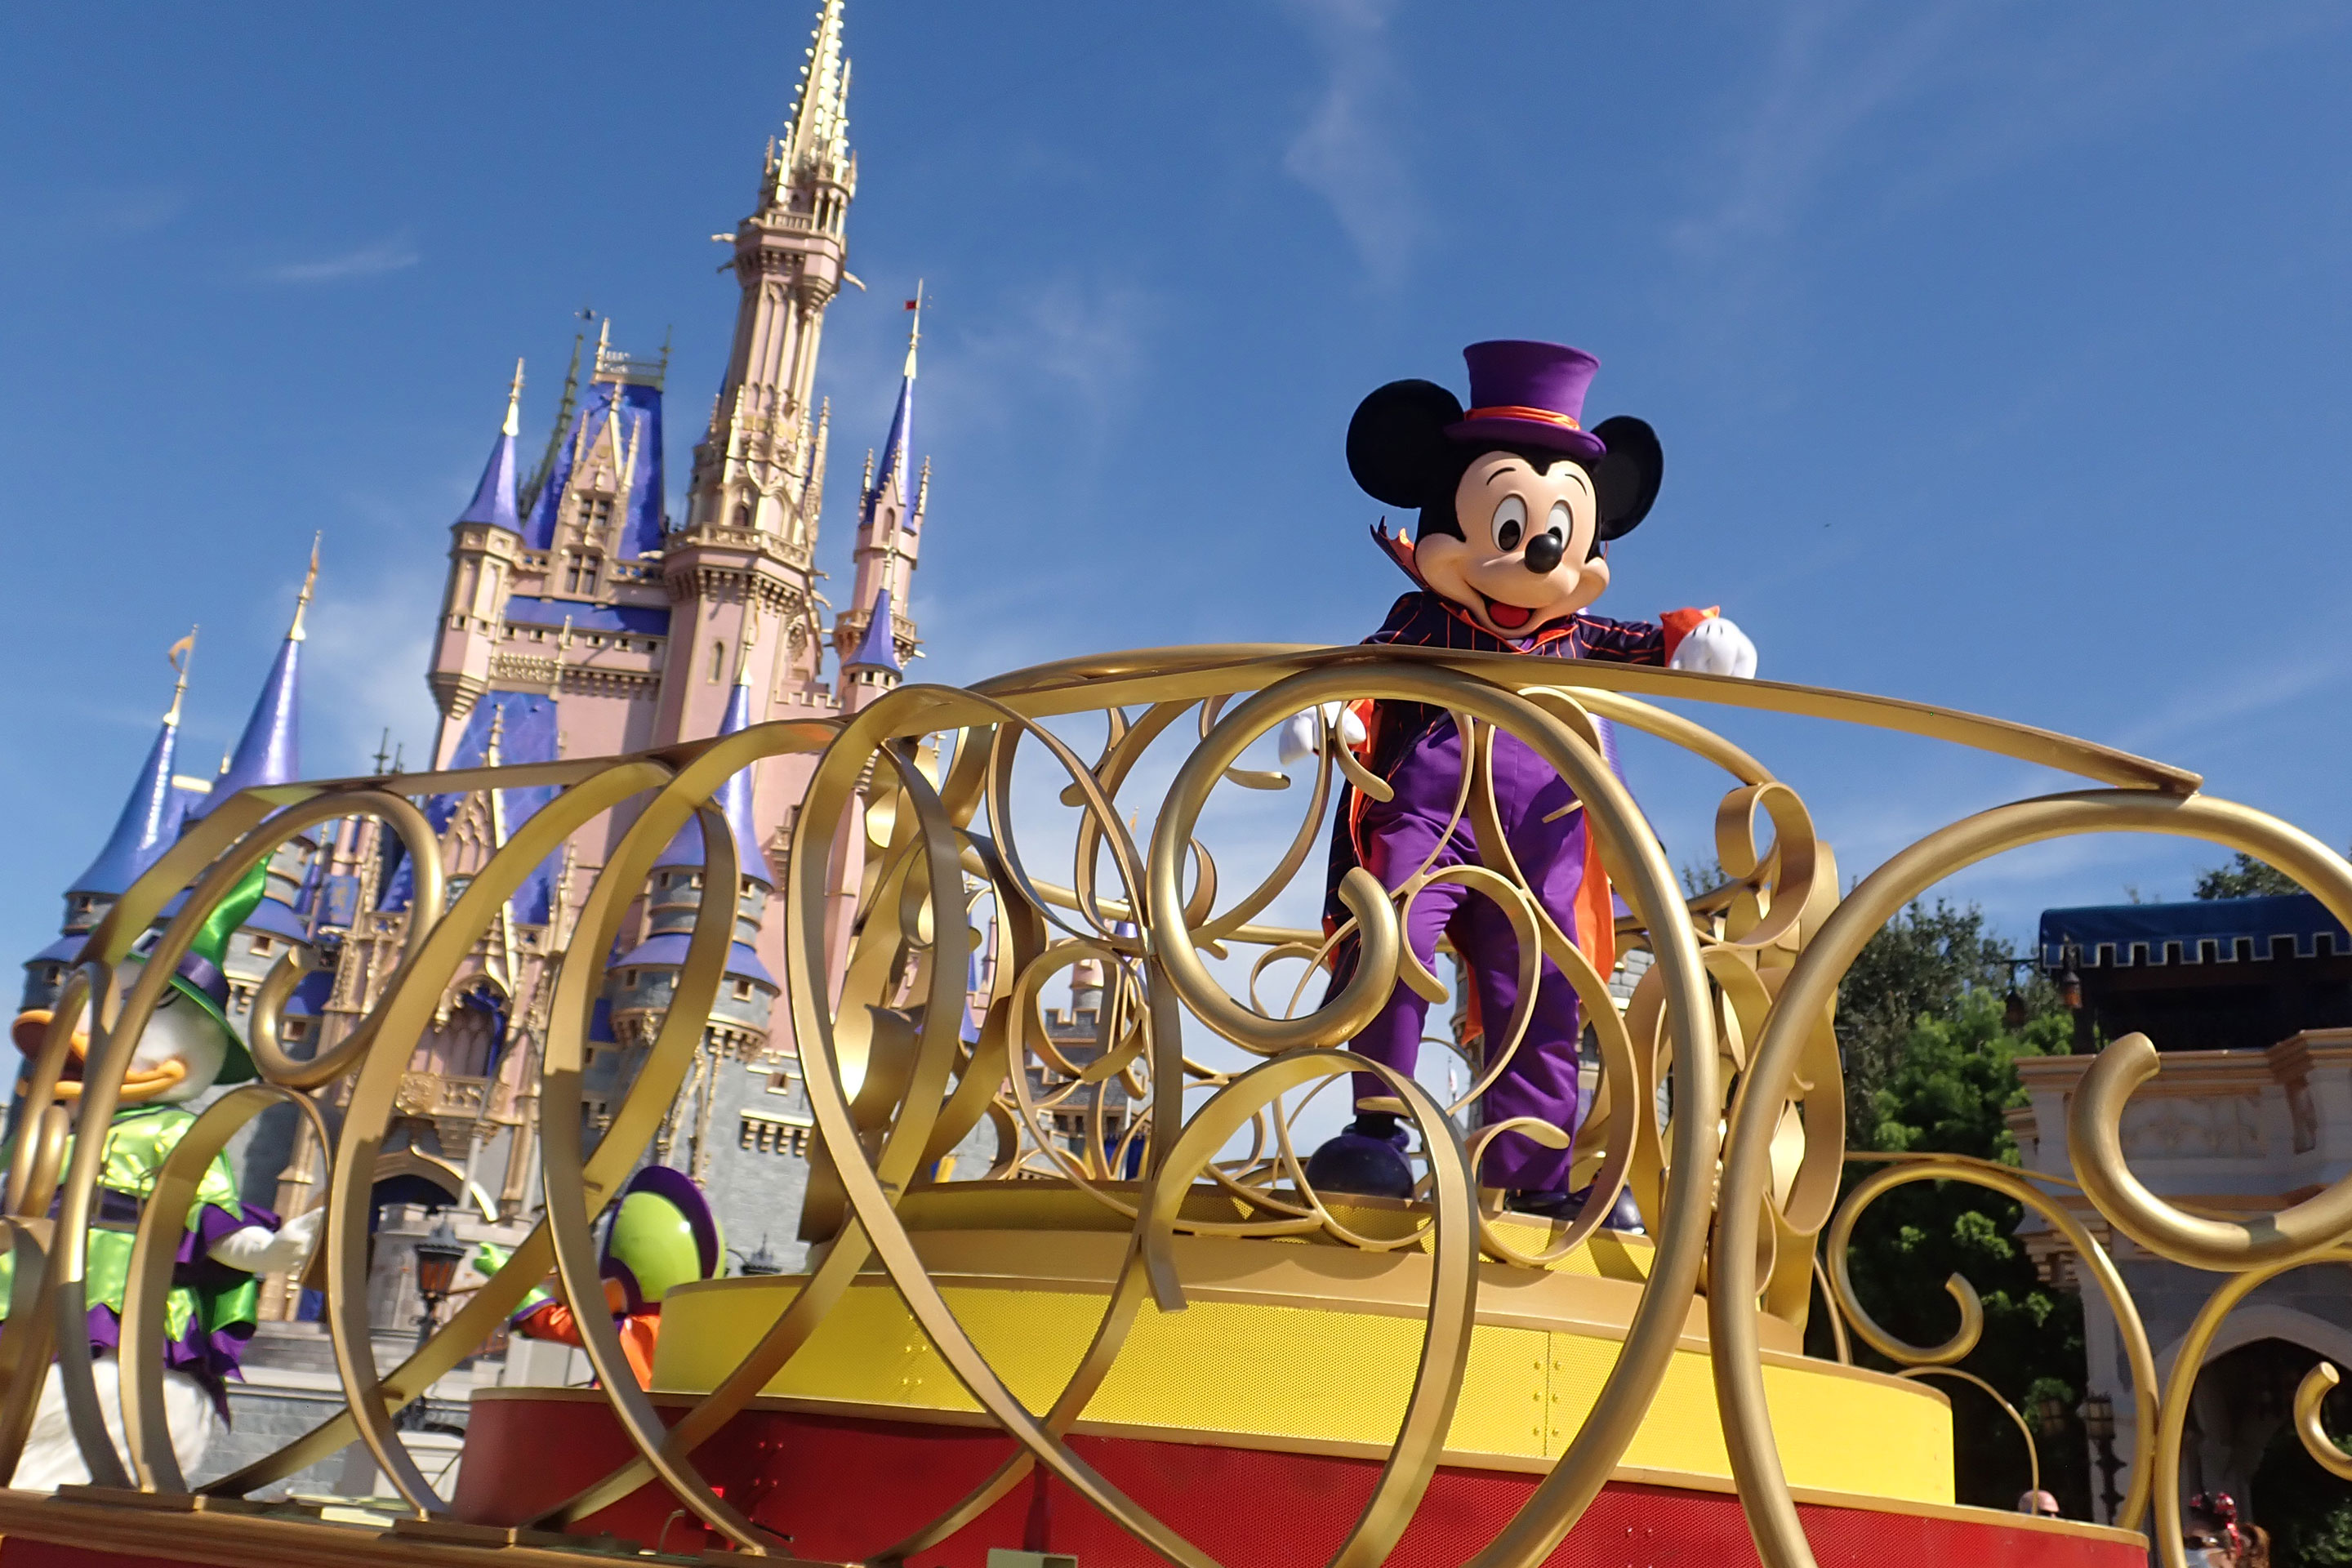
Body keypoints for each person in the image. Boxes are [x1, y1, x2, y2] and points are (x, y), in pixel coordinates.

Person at [1290, 341, 1756, 1209]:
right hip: (1426, 826)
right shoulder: (1422, 620)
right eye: (1509, 531)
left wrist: (1698, 636)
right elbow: (1368, 672)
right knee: (1392, 941)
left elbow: (1651, 642)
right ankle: (1377, 1133)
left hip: (1546, 848)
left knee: (1546, 990)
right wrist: (1331, 712)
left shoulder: (1574, 638)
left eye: (1555, 536)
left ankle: (1533, 1175)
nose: (1536, 560)